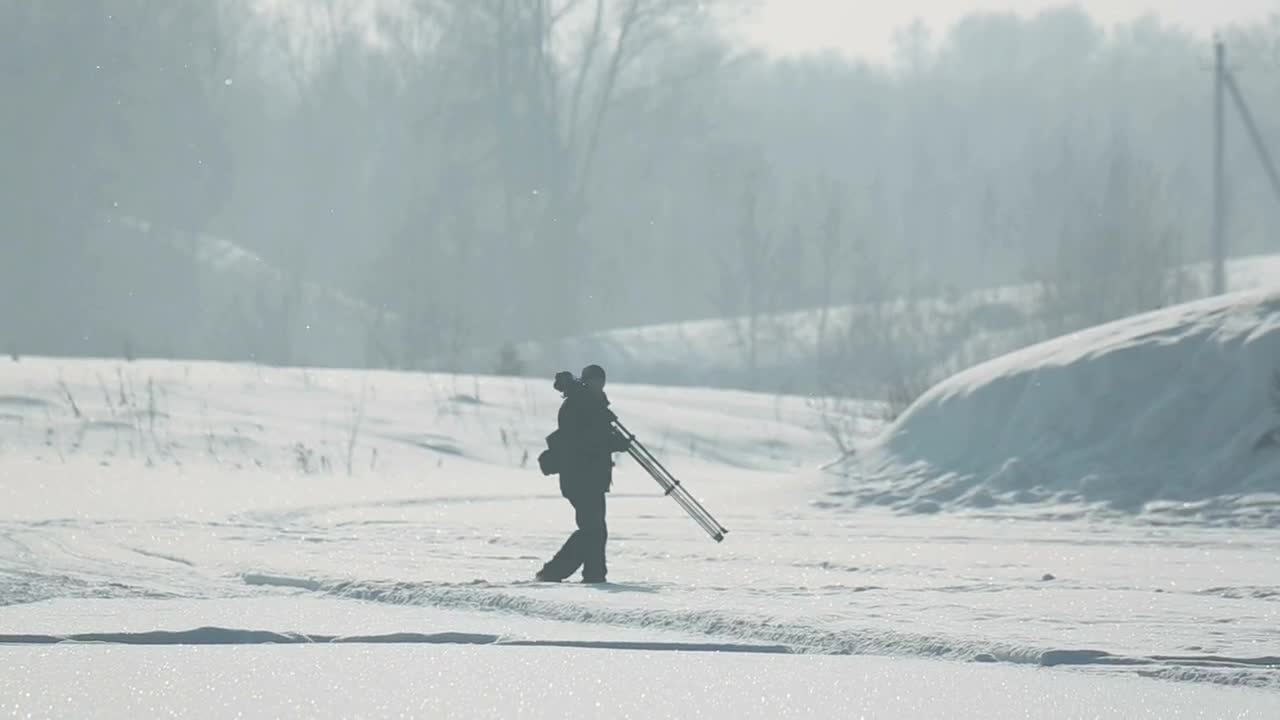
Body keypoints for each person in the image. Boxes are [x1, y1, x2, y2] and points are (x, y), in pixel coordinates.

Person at [536, 364, 630, 583]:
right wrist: (611, 443)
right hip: (579, 477)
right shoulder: (577, 406)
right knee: (592, 529)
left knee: (597, 529)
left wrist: (611, 442)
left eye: (601, 381)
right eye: (595, 381)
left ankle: (594, 575)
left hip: (592, 478)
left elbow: (594, 438)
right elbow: (580, 442)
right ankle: (553, 572)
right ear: (586, 381)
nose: (599, 385)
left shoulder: (594, 405)